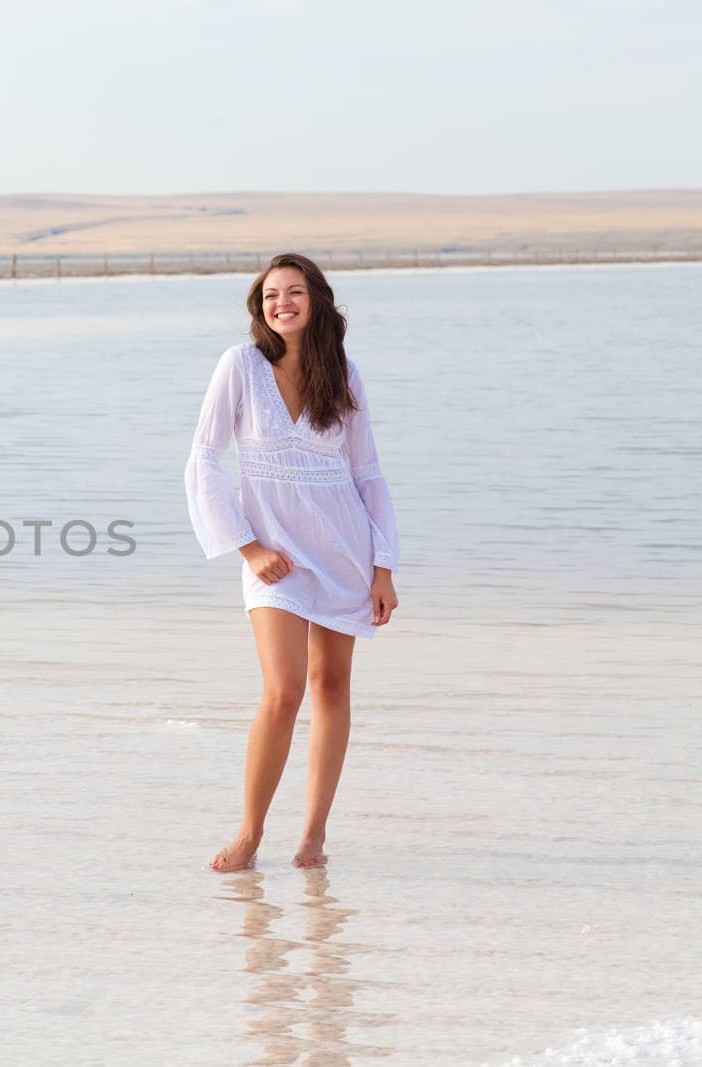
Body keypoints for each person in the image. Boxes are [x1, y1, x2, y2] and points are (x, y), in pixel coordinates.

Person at [184, 252, 400, 872]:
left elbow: (368, 475)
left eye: (295, 292)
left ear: (318, 301)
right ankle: (250, 833)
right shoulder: (240, 367)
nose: (283, 303)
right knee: (282, 691)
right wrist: (248, 546)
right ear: (261, 307)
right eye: (272, 294)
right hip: (273, 559)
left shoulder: (346, 375)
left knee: (332, 687)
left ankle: (312, 837)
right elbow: (204, 459)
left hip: (346, 552)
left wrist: (383, 566)